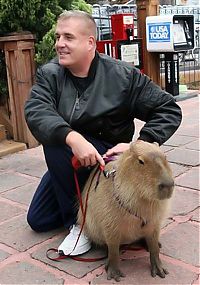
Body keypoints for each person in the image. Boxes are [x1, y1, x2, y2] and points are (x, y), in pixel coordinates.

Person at [24, 10, 182, 256]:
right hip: (72, 157)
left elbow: (168, 108)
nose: (59, 44)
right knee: (39, 219)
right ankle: (85, 201)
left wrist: (138, 145)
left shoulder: (123, 75)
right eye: (57, 37)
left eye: (68, 37)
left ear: (90, 43)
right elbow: (37, 111)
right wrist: (74, 138)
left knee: (54, 144)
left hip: (109, 159)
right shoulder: (50, 74)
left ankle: (79, 225)